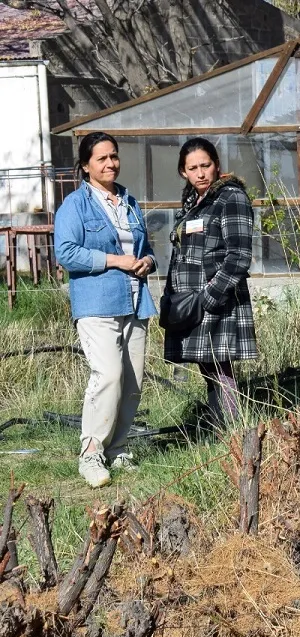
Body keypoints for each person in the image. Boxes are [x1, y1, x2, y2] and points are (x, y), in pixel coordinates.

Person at [53, 132, 157, 488]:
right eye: (102, 158)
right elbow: (66, 253)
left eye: (114, 156)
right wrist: (115, 260)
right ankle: (91, 454)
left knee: (132, 382)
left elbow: (146, 248)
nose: (110, 163)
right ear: (86, 166)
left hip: (135, 300)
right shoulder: (74, 206)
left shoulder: (129, 201)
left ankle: (118, 449)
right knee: (109, 375)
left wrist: (147, 262)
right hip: (97, 303)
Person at [163, 138, 258, 427]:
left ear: (216, 165)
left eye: (205, 165)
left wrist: (209, 297)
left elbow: (239, 256)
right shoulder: (193, 202)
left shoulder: (231, 198)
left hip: (217, 299)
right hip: (191, 301)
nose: (200, 173)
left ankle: (233, 430)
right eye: (193, 168)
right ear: (183, 171)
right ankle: (221, 428)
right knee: (209, 367)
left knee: (220, 367)